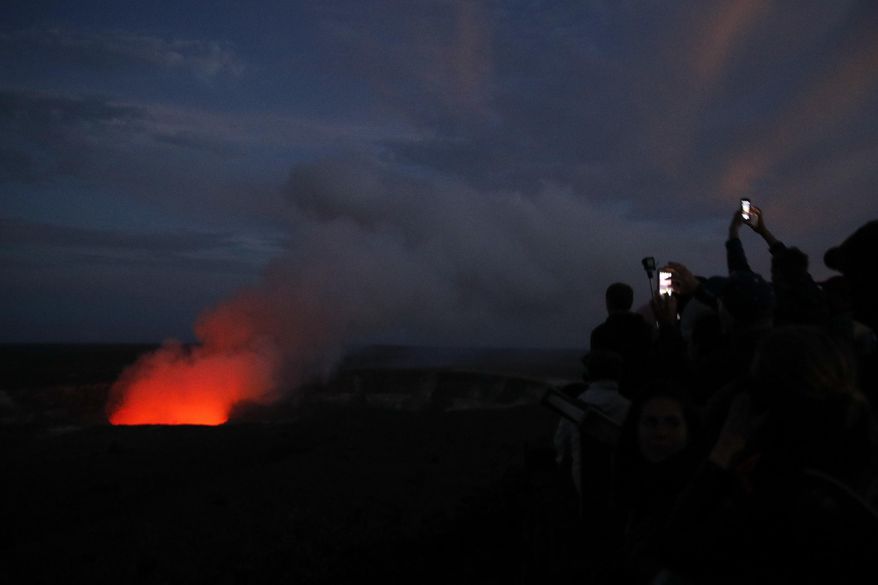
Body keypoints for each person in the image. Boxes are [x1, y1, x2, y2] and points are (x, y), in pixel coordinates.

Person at [659, 326, 878, 584]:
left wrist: (723, 451)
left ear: (760, 399)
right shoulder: (853, 476)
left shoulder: (770, 502)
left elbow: (677, 550)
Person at [609, 381, 704, 584]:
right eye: (651, 423)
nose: (661, 433)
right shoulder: (628, 494)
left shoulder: (706, 497)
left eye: (672, 423)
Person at [590, 282, 654, 397]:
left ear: (608, 303)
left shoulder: (600, 334)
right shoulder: (648, 331)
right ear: (631, 301)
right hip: (642, 396)